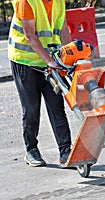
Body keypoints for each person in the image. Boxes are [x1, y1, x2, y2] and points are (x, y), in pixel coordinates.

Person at [7, 0, 73, 168]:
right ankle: (31, 150)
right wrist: (50, 61)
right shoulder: (26, 1)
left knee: (56, 106)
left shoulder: (58, 1)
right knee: (31, 109)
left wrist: (70, 57)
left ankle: (65, 151)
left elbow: (63, 29)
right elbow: (29, 36)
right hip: (25, 61)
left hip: (50, 61)